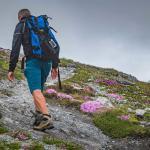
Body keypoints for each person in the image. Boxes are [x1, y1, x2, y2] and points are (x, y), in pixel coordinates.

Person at [7, 9, 59, 131]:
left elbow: (15, 47)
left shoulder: (22, 25)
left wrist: (11, 68)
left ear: (20, 17)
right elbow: (55, 45)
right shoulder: (42, 25)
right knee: (39, 90)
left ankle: (46, 117)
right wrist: (55, 66)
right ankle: (39, 117)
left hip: (33, 62)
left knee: (35, 90)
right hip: (47, 62)